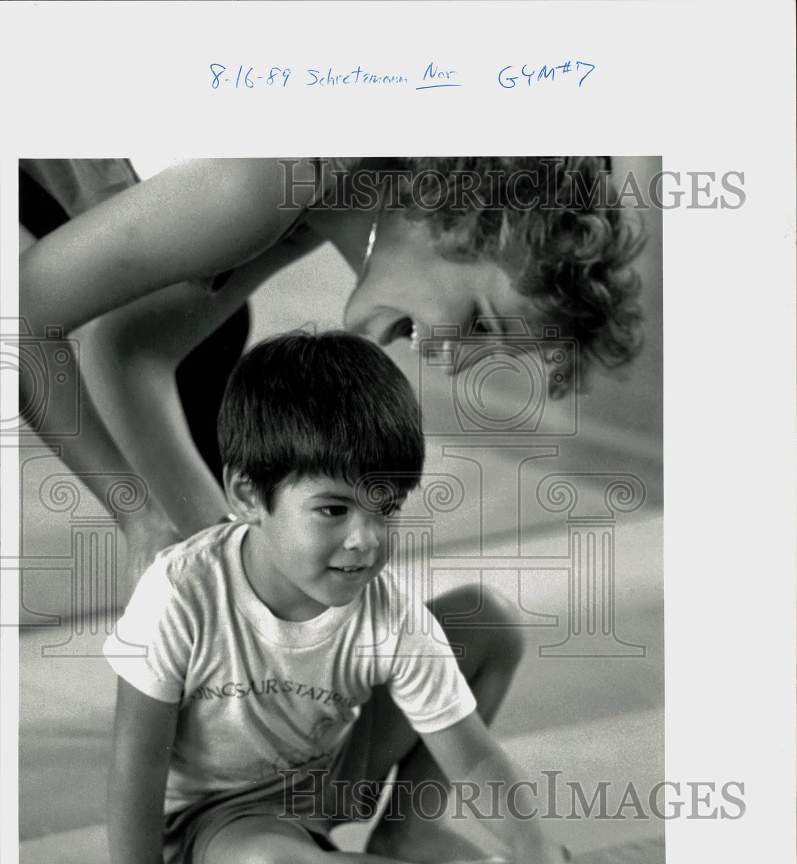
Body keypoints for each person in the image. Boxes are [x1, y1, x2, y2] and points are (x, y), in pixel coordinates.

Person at [86, 332, 596, 864]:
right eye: (333, 509)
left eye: (385, 509)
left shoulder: (385, 609)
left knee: (485, 623)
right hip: (213, 826)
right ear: (247, 496)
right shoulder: (182, 590)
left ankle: (408, 832)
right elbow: (135, 761)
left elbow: (471, 757)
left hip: (326, 776)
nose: (365, 540)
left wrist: (534, 849)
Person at [19, 157, 644, 582]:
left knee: (209, 339)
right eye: (481, 323)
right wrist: (138, 517)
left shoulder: (319, 196)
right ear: (463, 220)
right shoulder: (268, 182)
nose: (449, 356)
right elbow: (17, 316)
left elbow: (129, 352)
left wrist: (221, 568)